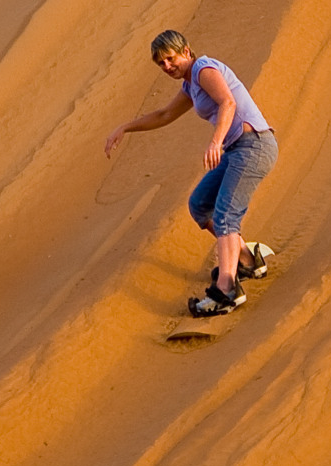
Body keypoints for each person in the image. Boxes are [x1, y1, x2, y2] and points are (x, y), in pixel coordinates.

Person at [104, 29, 278, 316]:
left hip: (253, 146)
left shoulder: (203, 69)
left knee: (225, 215)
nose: (167, 66)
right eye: (160, 63)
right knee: (200, 206)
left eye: (170, 58)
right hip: (236, 151)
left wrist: (215, 141)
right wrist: (124, 127)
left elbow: (228, 102)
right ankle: (248, 260)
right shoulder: (190, 85)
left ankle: (226, 291)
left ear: (186, 51)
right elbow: (164, 115)